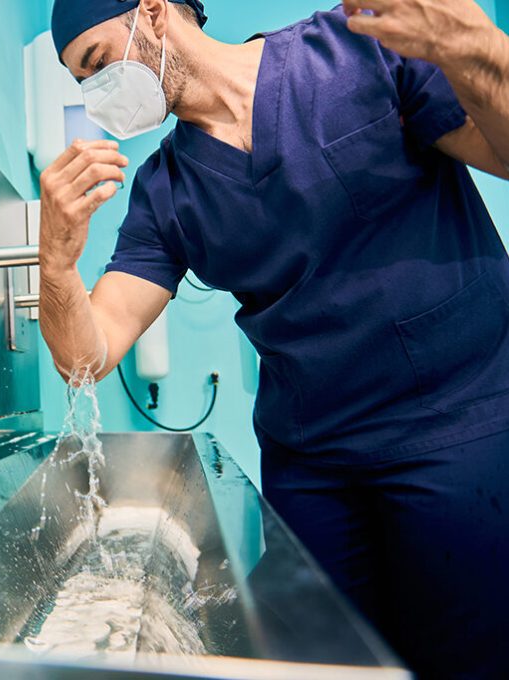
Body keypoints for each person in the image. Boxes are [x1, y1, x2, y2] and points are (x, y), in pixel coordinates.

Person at [39, 0, 509, 676]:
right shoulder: (165, 192)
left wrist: (483, 51)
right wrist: (53, 263)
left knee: (468, 656)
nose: (95, 91)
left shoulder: (354, 52)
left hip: (459, 427)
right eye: (81, 80)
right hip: (313, 465)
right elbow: (88, 355)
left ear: (151, 13)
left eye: (95, 62)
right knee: (319, 665)